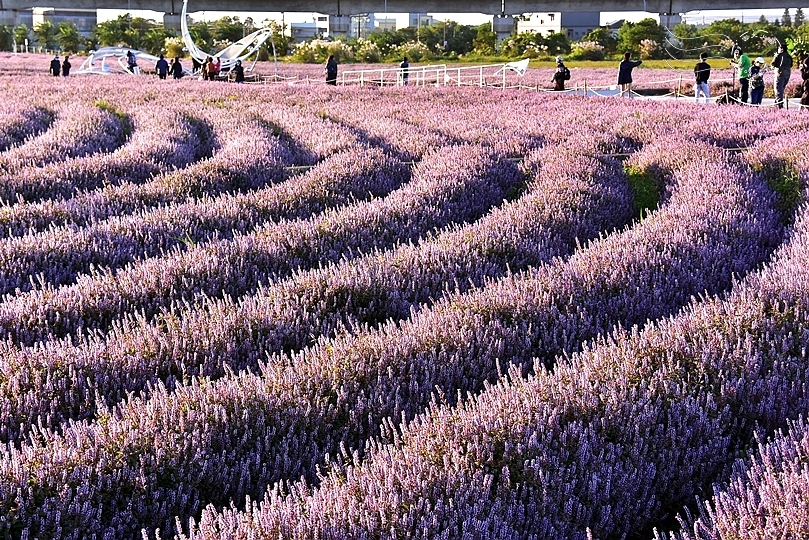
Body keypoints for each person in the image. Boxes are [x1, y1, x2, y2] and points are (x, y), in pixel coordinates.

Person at [771, 43, 793, 109]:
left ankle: (779, 105)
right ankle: (776, 104)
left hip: (780, 74)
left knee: (778, 89)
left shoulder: (779, 55)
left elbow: (773, 64)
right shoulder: (789, 56)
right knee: (781, 89)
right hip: (787, 74)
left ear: (781, 49)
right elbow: (791, 65)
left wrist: (775, 55)